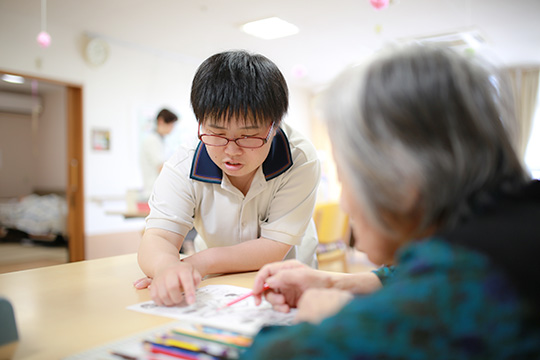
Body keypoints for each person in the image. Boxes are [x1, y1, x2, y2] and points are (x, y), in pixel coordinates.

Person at [242, 45, 540, 358]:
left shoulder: (449, 295)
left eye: (346, 180)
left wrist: (326, 319)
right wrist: (331, 282)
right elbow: (406, 274)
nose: (344, 205)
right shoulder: (513, 223)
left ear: (403, 181)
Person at [134, 50, 321, 307]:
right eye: (217, 133)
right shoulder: (184, 163)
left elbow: (273, 247)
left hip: (288, 280)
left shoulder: (300, 159)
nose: (231, 150)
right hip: (216, 284)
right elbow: (158, 238)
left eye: (248, 136)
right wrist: (166, 267)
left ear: (274, 127)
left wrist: (194, 263)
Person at [139, 108, 179, 201]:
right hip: (153, 192)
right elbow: (161, 168)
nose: (172, 128)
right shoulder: (152, 140)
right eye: (170, 124)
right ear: (161, 121)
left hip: (158, 192)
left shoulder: (162, 140)